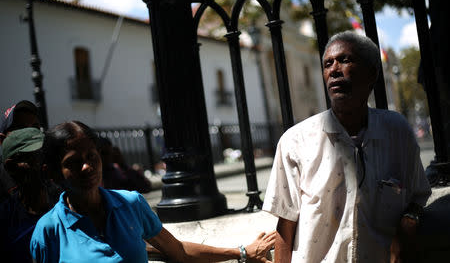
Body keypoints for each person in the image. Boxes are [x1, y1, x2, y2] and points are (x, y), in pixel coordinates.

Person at [262, 31, 431, 262]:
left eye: (345, 60)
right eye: (328, 64)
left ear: (371, 74)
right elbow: (285, 224)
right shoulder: (296, 141)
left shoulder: (397, 131)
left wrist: (407, 223)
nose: (334, 70)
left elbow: (417, 196)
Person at [31, 121, 275, 263]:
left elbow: (177, 250)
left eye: (91, 157)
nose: (87, 167)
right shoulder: (48, 232)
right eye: (73, 162)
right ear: (52, 172)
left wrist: (241, 252)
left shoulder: (131, 204)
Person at [0, 128, 55, 263]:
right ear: (12, 167)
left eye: (47, 155)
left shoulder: (70, 204)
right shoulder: (5, 219)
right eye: (36, 157)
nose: (45, 165)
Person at [0, 100, 41, 202]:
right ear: (2, 140)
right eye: (21, 128)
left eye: (35, 127)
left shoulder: (48, 172)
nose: (30, 133)